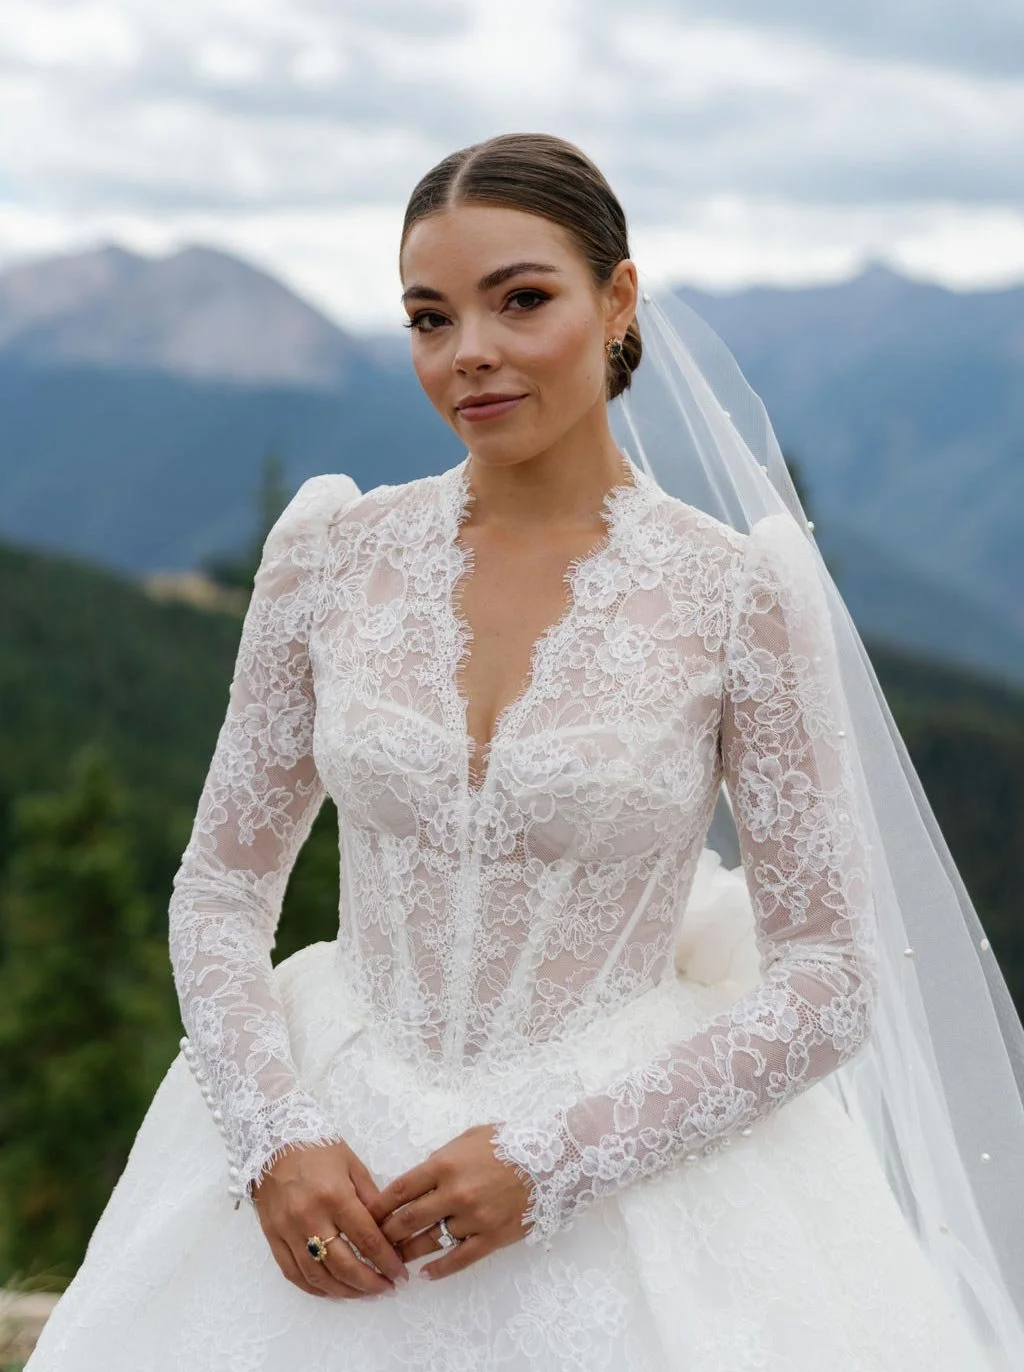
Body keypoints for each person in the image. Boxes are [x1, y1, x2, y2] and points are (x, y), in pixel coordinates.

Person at [25, 133, 1024, 1369]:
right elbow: (224, 886)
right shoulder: (330, 557)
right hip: (332, 1155)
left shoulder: (737, 594)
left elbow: (828, 974)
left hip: (624, 1175)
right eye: (429, 317)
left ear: (616, 300)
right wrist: (271, 1135)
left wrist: (559, 1156)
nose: (469, 354)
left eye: (522, 299)